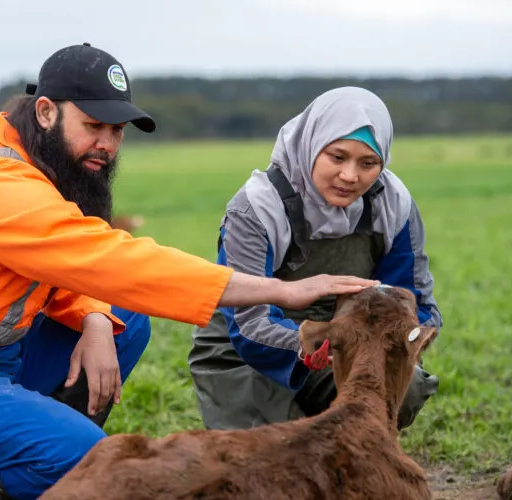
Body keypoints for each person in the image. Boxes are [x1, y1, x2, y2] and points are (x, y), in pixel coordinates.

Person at [0, 44, 378, 500]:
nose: (107, 143)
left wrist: (97, 320)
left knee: (122, 317)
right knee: (85, 459)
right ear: (45, 113)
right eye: (93, 125)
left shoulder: (36, 169)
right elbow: (113, 260)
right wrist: (279, 290)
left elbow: (67, 270)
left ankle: (32, 450)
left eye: (117, 130)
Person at [188, 87, 442, 432]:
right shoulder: (257, 207)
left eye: (368, 163)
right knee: (275, 459)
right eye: (337, 157)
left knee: (405, 391)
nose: (351, 176)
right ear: (311, 144)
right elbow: (247, 324)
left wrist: (381, 344)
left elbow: (415, 300)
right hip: (245, 351)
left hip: (345, 340)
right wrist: (309, 342)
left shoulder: (392, 202)